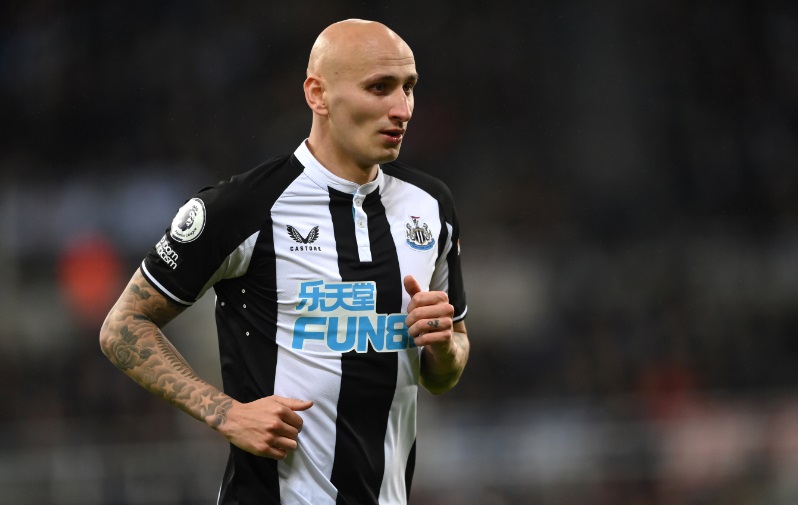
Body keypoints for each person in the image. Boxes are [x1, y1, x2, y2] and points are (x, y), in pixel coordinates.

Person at [100, 18, 469, 505]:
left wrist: (443, 348)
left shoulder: (431, 206)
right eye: (379, 87)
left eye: (409, 87)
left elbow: (444, 372)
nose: (402, 108)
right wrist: (226, 413)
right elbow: (123, 326)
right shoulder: (243, 207)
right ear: (318, 94)